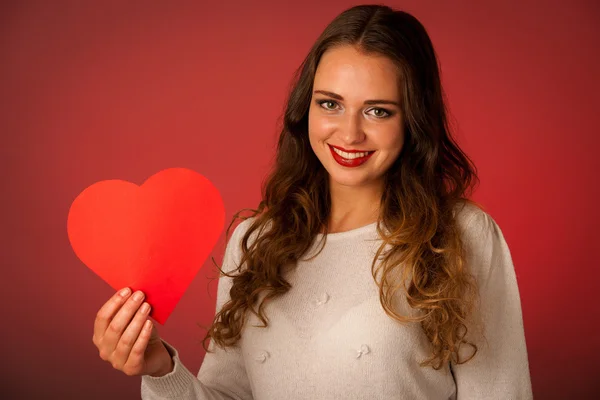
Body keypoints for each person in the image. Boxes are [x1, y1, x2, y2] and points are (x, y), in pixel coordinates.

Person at [92, 4, 533, 399]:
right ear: (307, 107)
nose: (349, 133)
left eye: (378, 110)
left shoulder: (460, 236)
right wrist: (159, 368)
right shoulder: (256, 241)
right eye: (331, 104)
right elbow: (226, 394)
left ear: (413, 119)